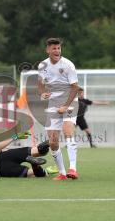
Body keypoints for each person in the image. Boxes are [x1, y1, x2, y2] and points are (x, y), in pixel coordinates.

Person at [38, 37, 79, 181]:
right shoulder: (42, 65)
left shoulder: (68, 65)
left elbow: (75, 87)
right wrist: (42, 92)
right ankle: (62, 173)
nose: (57, 50)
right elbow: (40, 83)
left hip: (70, 100)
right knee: (53, 141)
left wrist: (66, 106)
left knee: (68, 131)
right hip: (53, 104)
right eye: (54, 48)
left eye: (59, 48)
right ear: (48, 50)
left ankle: (72, 169)